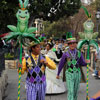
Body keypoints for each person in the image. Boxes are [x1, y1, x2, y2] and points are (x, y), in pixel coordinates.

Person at [56, 35, 90, 100]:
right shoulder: (65, 53)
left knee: (75, 92)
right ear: (68, 44)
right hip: (69, 73)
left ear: (76, 44)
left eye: (74, 43)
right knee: (71, 91)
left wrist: (87, 62)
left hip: (77, 74)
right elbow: (61, 64)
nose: (72, 45)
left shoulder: (79, 53)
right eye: (70, 43)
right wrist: (58, 74)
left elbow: (82, 63)